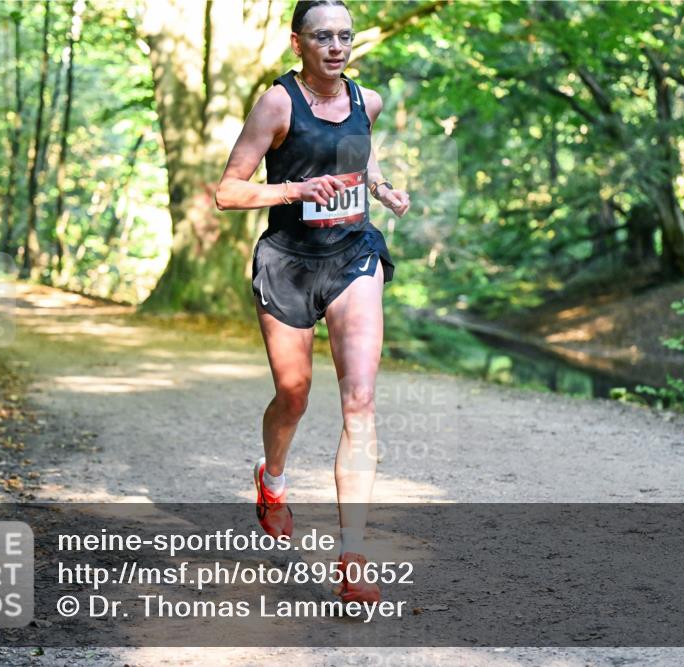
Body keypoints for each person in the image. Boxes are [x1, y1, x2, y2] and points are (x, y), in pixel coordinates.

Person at [214, 0, 410, 604]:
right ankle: (272, 481)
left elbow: (358, 152)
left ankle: (352, 556)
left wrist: (379, 185)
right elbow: (228, 191)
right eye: (322, 36)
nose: (336, 46)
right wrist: (295, 189)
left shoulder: (367, 101)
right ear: (297, 42)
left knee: (360, 398)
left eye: (344, 36)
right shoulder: (277, 104)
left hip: (353, 254)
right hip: (289, 263)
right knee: (294, 394)